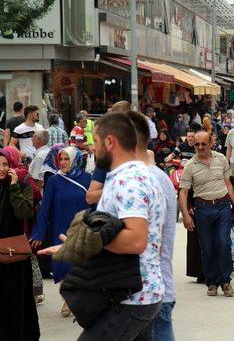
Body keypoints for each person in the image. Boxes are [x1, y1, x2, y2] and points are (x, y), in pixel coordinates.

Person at [44, 112, 166, 339]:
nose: (92, 148)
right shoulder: (135, 175)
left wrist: (81, 242)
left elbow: (137, 240)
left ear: (110, 142)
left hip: (131, 296)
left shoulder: (128, 181)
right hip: (138, 291)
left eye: (97, 142)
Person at [126, 111, 177, 341]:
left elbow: (147, 240)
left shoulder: (142, 179)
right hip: (155, 288)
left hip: (145, 291)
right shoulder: (158, 177)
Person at [30, 145, 90, 317]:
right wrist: (39, 232)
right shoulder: (54, 181)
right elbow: (45, 208)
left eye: (66, 159)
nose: (63, 162)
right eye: (61, 159)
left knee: (80, 265)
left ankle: (77, 298)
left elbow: (95, 205)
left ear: (75, 160)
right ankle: (68, 299)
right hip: (60, 229)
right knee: (63, 266)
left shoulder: (87, 179)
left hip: (82, 228)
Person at [179, 130, 234, 297]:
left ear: (210, 144)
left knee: (223, 243)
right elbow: (183, 192)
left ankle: (225, 281)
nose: (200, 147)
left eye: (203, 144)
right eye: (197, 144)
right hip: (202, 209)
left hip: (222, 206)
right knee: (206, 247)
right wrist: (185, 215)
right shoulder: (190, 166)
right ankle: (211, 282)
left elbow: (229, 184)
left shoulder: (221, 159)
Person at [0, 147, 39, 340]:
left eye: (5, 164)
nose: (2, 168)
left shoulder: (23, 187)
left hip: (13, 254)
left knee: (14, 300)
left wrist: (14, 186)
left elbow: (23, 213)